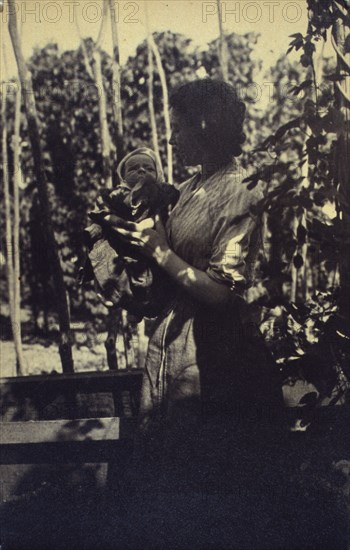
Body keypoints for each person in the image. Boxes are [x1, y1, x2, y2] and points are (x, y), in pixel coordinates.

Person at [104, 79, 285, 547]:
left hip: (214, 361)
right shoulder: (185, 188)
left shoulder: (241, 191)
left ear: (205, 124)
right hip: (169, 347)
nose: (170, 137)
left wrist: (160, 252)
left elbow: (224, 294)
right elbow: (160, 264)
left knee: (210, 497)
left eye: (179, 124)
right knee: (170, 489)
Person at [80, 147, 179, 316]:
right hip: (118, 245)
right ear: (123, 176)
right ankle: (124, 302)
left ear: (157, 174)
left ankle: (141, 308)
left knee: (151, 282)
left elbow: (160, 215)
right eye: (134, 168)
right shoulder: (115, 194)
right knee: (110, 271)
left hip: (149, 247)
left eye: (149, 168)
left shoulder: (161, 192)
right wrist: (119, 223)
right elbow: (103, 214)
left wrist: (145, 224)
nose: (141, 170)